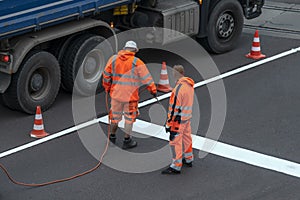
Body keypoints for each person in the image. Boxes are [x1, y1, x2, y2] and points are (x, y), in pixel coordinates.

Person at [102, 40, 157, 149]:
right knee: (129, 119)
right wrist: (153, 91)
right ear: (134, 51)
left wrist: (107, 88)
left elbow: (106, 75)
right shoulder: (137, 62)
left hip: (116, 95)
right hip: (130, 97)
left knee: (114, 118)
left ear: (124, 48)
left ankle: (112, 138)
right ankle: (127, 141)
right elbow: (147, 79)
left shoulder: (113, 59)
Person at [161, 65, 194, 174]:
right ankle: (189, 158)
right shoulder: (189, 85)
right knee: (187, 138)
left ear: (175, 74)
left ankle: (176, 165)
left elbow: (174, 108)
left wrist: (168, 123)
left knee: (175, 142)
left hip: (178, 120)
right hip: (187, 117)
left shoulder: (178, 89)